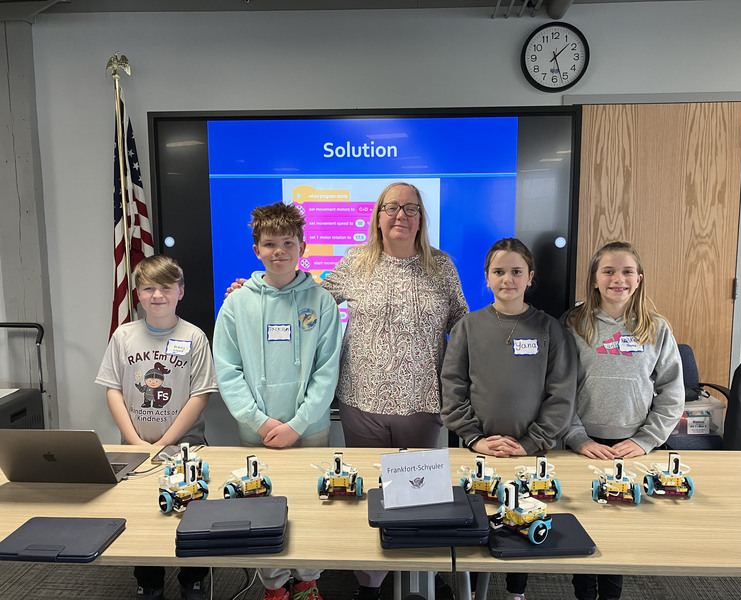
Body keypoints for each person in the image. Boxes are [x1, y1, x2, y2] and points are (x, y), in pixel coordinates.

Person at [226, 183, 468, 600]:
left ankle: (419, 581)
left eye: (410, 208)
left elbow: (463, 329)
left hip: (424, 405)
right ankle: (369, 586)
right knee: (366, 498)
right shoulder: (356, 260)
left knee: (419, 500)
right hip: (362, 405)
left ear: (421, 217)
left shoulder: (441, 265)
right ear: (377, 215)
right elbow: (308, 295)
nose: (400, 215)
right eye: (391, 207)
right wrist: (249, 290)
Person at [213, 201, 341, 600]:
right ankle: (273, 587)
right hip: (257, 434)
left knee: (311, 506)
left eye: (288, 242)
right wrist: (262, 422)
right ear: (256, 250)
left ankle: (307, 581)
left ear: (303, 246)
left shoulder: (321, 302)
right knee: (261, 509)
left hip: (311, 432)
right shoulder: (236, 303)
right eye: (270, 244)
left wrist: (297, 424)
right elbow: (228, 370)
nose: (279, 251)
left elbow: (327, 371)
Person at [440, 237, 577, 600]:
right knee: (475, 520)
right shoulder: (469, 327)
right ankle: (469, 589)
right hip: (477, 451)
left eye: (516, 272)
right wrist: (474, 438)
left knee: (525, 518)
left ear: (530, 277)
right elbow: (452, 386)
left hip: (530, 454)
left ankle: (517, 590)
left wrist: (530, 443)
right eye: (499, 272)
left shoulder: (550, 330)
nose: (508, 279)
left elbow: (561, 394)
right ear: (486, 278)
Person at [563, 241, 683, 600]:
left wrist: (646, 440)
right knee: (582, 526)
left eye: (627, 271)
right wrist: (576, 437)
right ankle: (583, 593)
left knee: (619, 532)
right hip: (582, 446)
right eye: (609, 271)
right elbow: (556, 389)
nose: (619, 279)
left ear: (640, 278)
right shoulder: (573, 324)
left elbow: (672, 393)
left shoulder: (656, 328)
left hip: (632, 449)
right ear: (595, 280)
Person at [95, 255, 217, 600]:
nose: (157, 295)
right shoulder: (124, 336)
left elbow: (200, 396)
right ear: (137, 293)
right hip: (134, 448)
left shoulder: (193, 337)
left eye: (166, 288)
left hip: (185, 446)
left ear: (180, 291)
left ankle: (192, 578)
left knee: (190, 511)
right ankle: (148, 581)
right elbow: (113, 390)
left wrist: (165, 441)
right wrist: (135, 442)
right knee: (139, 515)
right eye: (148, 288)